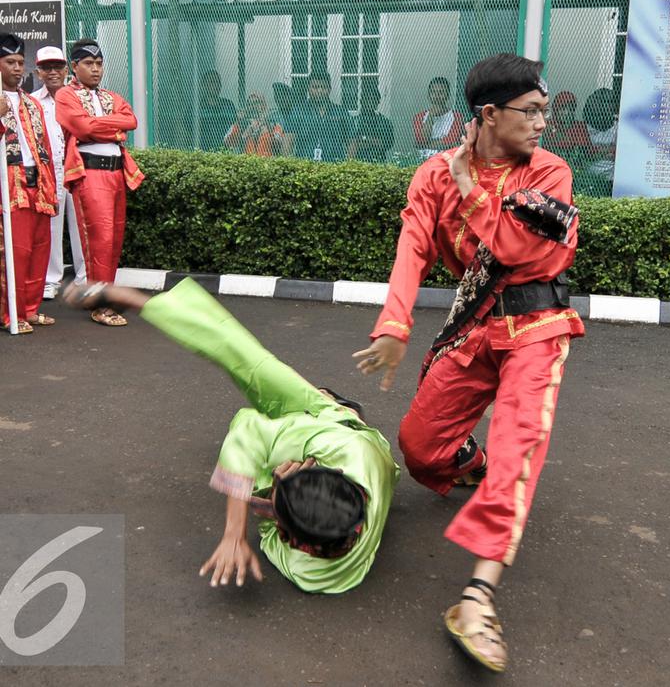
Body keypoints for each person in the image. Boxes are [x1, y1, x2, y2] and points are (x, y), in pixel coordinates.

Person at [352, 53, 583, 672]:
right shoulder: (431, 175)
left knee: (519, 447)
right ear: (488, 114)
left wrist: (472, 190)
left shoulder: (551, 174)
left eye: (543, 110)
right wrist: (395, 327)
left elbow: (514, 247)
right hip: (475, 329)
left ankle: (476, 599)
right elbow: (412, 248)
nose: (543, 122)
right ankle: (480, 471)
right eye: (530, 111)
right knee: (421, 448)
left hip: (537, 326)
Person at [62, 278, 400, 593]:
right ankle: (133, 299)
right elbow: (246, 426)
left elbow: (267, 524)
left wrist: (269, 494)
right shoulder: (335, 448)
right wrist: (235, 533)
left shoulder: (312, 575)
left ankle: (326, 399)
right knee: (241, 354)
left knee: (255, 452)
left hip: (327, 442)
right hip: (339, 430)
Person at [55, 38, 144, 327]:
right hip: (90, 174)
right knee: (100, 241)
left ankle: (101, 299)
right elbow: (80, 126)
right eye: (89, 64)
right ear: (74, 66)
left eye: (99, 63)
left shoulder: (110, 96)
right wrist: (112, 129)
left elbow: (130, 121)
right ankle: (100, 306)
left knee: (114, 240)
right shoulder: (66, 96)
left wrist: (99, 128)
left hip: (116, 173)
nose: (95, 69)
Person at [1, 33, 58, 334]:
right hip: (11, 184)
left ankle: (32, 309)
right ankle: (13, 313)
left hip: (38, 181)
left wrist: (51, 186)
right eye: (10, 62)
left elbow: (44, 146)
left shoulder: (32, 103)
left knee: (40, 249)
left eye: (20, 63)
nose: (17, 68)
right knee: (18, 252)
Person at [33, 47, 85, 301]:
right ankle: (50, 280)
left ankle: (84, 279)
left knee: (82, 224)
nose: (53, 72)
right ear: (38, 71)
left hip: (79, 169)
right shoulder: (32, 102)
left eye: (57, 67)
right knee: (51, 225)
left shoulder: (79, 98)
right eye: (47, 67)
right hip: (49, 171)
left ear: (67, 70)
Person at [284, 72, 352, 162]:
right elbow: (288, 140)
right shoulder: (298, 111)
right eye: (315, 87)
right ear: (308, 89)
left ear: (329, 89)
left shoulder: (341, 112)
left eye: (323, 87)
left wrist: (348, 166)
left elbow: (352, 141)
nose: (319, 91)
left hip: (335, 168)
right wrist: (288, 165)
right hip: (305, 167)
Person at [412, 76, 465, 160]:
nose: (437, 96)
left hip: (447, 160)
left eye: (441, 92)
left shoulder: (457, 117)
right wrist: (430, 117)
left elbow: (451, 142)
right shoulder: (419, 117)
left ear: (447, 95)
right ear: (429, 95)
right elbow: (421, 141)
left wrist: (425, 145)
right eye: (433, 92)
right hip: (424, 161)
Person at [223, 92, 283, 157]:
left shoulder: (273, 125)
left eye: (256, 102)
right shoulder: (242, 125)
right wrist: (240, 123)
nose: (252, 106)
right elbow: (227, 143)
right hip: (248, 164)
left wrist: (267, 129)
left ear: (264, 105)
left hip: (267, 164)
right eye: (249, 104)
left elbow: (280, 143)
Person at [348, 88, 395, 163]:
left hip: (378, 161)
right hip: (357, 164)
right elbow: (351, 144)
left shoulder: (384, 122)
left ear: (378, 102)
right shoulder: (354, 121)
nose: (370, 103)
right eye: (367, 99)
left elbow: (387, 143)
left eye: (373, 100)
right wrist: (374, 141)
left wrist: (362, 141)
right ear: (361, 101)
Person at [540, 90, 590, 156]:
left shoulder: (579, 126)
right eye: (563, 109)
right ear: (556, 110)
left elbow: (585, 151)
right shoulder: (547, 125)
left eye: (571, 109)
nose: (567, 113)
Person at [198, 70, 236, 151]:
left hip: (225, 151)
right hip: (202, 151)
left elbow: (235, 127)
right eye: (211, 82)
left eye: (217, 82)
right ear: (203, 85)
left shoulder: (228, 105)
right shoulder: (196, 107)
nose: (215, 85)